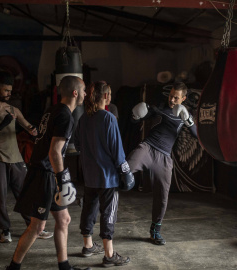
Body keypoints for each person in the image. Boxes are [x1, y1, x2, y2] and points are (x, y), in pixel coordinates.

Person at [6, 76, 90, 270]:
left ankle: (64, 266)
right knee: (37, 226)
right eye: (84, 90)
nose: (86, 94)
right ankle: (13, 267)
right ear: (75, 93)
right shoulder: (65, 116)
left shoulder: (52, 110)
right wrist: (62, 179)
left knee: (64, 219)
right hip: (44, 174)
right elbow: (54, 151)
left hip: (46, 171)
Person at [0, 70, 53, 243]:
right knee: (1, 196)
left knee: (25, 195)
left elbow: (28, 127)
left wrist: (35, 130)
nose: (9, 94)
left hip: (16, 158)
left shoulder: (14, 110)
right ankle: (5, 231)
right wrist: (2, 125)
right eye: (6, 90)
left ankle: (34, 227)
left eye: (10, 91)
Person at [127, 81, 197, 245]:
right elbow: (135, 121)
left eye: (176, 98)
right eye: (171, 96)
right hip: (148, 148)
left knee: (162, 196)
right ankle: (105, 201)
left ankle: (155, 231)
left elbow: (196, 134)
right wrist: (135, 115)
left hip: (164, 157)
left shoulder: (184, 115)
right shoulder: (158, 108)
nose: (172, 100)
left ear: (184, 98)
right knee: (125, 169)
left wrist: (187, 118)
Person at [74, 81, 133, 267]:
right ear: (106, 96)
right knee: (109, 213)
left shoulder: (83, 119)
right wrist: (126, 172)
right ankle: (109, 255)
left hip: (89, 175)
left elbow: (77, 145)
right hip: (108, 177)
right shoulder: (108, 118)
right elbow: (118, 151)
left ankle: (88, 245)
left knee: (89, 209)